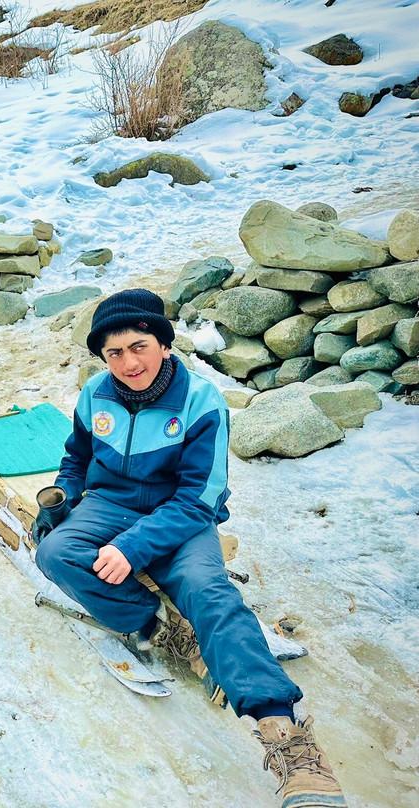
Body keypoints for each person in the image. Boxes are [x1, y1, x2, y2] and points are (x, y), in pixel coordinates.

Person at [32, 289, 347, 808]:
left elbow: (200, 498)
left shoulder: (201, 400)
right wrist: (64, 497)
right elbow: (77, 457)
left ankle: (286, 737)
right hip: (108, 502)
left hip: (180, 513)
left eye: (139, 346)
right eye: (114, 353)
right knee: (54, 554)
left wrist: (133, 547)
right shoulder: (94, 394)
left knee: (209, 591)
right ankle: (155, 623)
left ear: (163, 343)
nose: (129, 363)